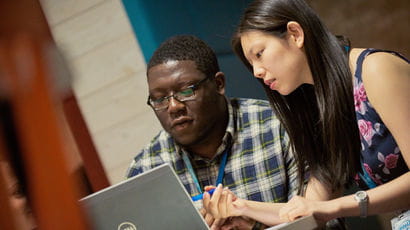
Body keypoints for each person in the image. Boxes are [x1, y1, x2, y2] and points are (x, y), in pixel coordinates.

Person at [202, 0, 409, 227]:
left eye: (259, 54)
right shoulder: (321, 107)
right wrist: (241, 207)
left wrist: (334, 207)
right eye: (251, 64)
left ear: (295, 34)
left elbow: (322, 208)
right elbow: (309, 211)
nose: (257, 72)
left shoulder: (375, 69)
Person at [126, 35, 306, 229]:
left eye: (186, 91)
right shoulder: (145, 169)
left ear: (219, 84)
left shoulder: (279, 127)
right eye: (159, 99)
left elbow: (323, 222)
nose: (173, 107)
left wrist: (255, 226)